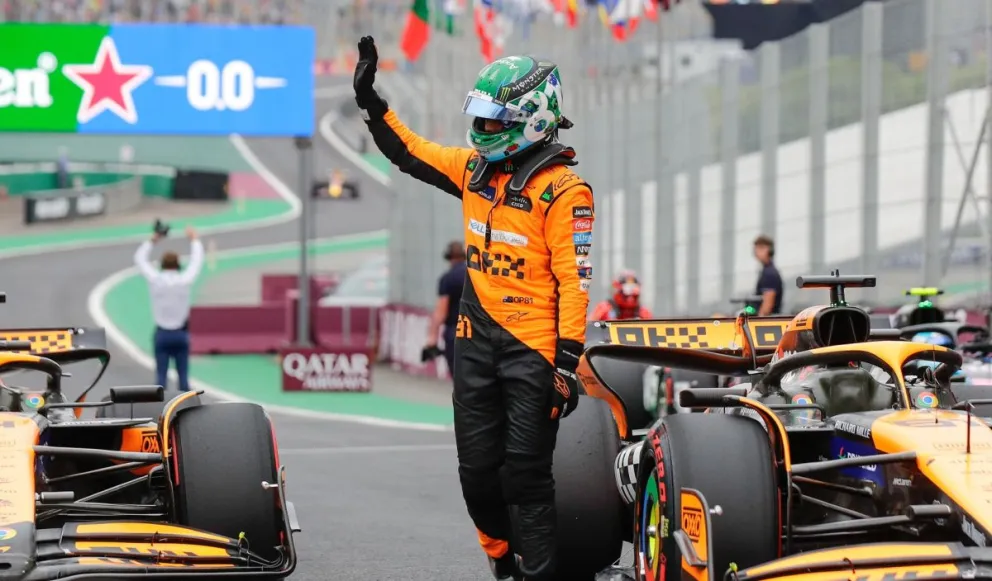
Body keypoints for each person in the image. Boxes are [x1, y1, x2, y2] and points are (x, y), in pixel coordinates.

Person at [354, 36, 593, 580]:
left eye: (494, 121)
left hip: (534, 350)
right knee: (477, 476)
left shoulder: (566, 191)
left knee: (526, 476)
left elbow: (574, 281)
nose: (483, 131)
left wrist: (566, 361)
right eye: (480, 120)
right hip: (474, 340)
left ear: (533, 119)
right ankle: (501, 559)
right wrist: (372, 103)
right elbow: (409, 150)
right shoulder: (472, 172)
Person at [134, 225, 204, 392]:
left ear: (161, 265)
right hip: (181, 334)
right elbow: (196, 261)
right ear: (178, 265)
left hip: (162, 334)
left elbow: (139, 258)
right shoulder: (184, 280)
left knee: (160, 380)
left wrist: (154, 239)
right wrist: (194, 240)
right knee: (184, 381)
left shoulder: (155, 279)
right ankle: (186, 412)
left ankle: (159, 413)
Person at [426, 241, 467, 375]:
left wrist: (432, 337)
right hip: (479, 331)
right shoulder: (476, 275)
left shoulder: (448, 278)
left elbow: (441, 312)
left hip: (455, 331)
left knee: (458, 376)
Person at [753, 235, 783, 315]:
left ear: (770, 250)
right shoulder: (766, 270)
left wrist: (757, 322)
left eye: (761, 248)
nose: (757, 251)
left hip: (767, 322)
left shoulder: (769, 273)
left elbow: (767, 305)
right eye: (756, 248)